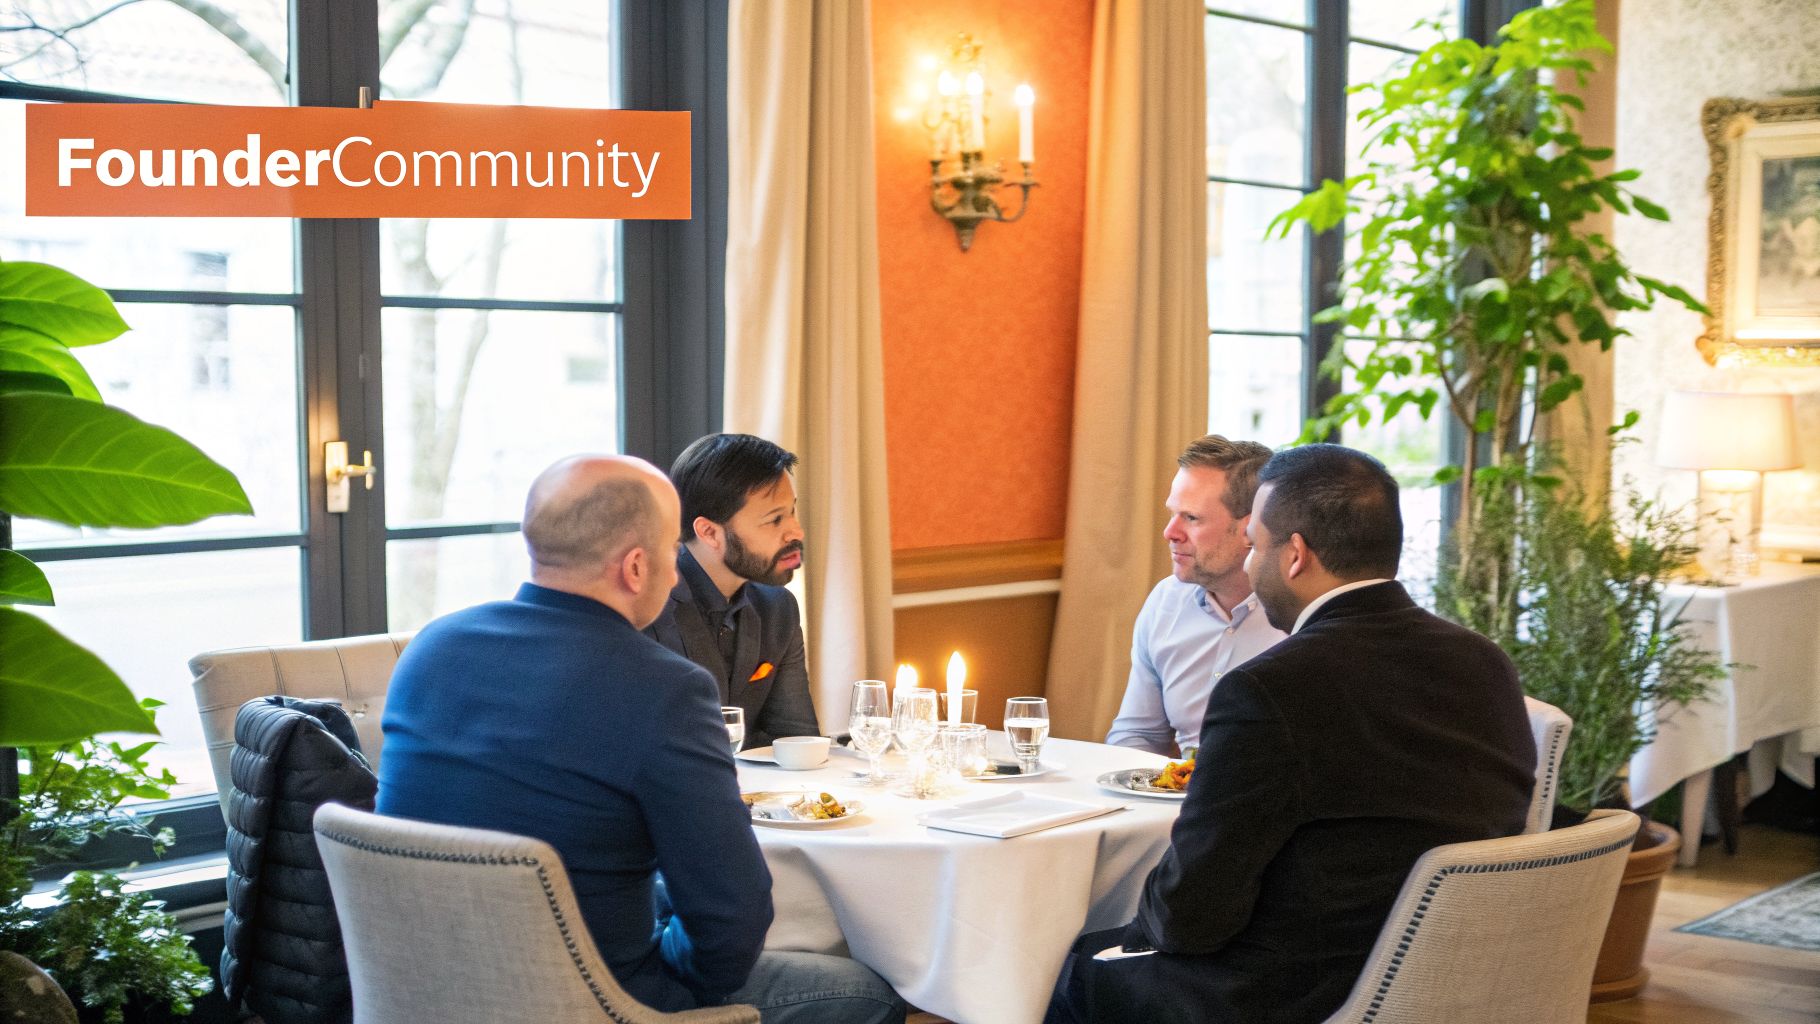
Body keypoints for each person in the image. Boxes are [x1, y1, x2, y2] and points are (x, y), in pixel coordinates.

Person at [378, 455, 904, 1024]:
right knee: (869, 994)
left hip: (420, 986)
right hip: (591, 999)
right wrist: (671, 978)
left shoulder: (432, 648)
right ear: (635, 567)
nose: (676, 576)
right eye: (670, 556)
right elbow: (731, 923)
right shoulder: (662, 688)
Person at [1048, 444, 1536, 1024]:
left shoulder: (1269, 690)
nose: (1253, 566)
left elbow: (1191, 918)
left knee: (1068, 965)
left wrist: (1132, 926)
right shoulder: (1486, 663)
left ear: (1295, 555)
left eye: (1255, 545)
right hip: (1459, 975)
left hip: (1297, 994)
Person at [1105, 435, 1284, 756]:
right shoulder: (1166, 602)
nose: (1170, 532)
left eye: (1191, 518)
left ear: (1250, 530)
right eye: (1173, 514)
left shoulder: (1300, 617)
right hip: (1179, 788)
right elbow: (1138, 732)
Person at [647, 433, 820, 748]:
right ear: (709, 532)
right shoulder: (645, 609)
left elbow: (798, 740)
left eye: (792, 511)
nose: (796, 532)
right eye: (774, 520)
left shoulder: (778, 607)